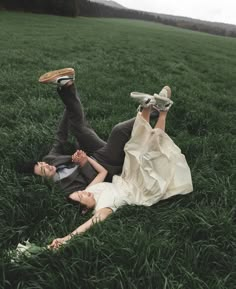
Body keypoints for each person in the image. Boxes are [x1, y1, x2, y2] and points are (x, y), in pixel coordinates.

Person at [49, 93, 193, 249]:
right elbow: (88, 225)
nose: (84, 193)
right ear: (85, 210)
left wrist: (87, 158)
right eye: (82, 197)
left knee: (135, 146)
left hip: (126, 175)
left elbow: (102, 173)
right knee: (153, 150)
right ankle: (163, 111)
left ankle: (147, 106)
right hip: (142, 188)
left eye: (80, 192)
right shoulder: (102, 209)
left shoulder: (91, 189)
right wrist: (66, 239)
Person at [20, 68, 173, 202]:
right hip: (104, 163)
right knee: (118, 131)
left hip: (90, 151)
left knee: (78, 127)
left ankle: (67, 84)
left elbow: (60, 138)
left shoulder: (50, 160)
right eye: (43, 170)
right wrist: (84, 163)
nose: (46, 165)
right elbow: (95, 184)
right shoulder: (64, 189)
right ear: (42, 181)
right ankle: (155, 110)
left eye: (42, 164)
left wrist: (70, 108)